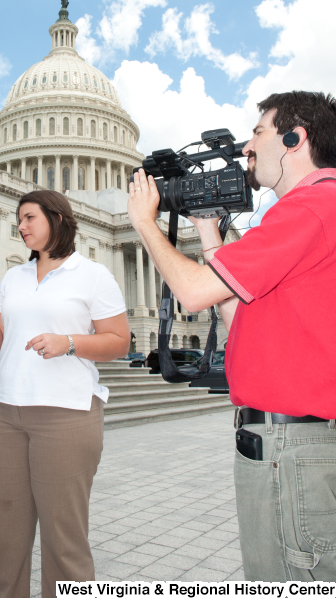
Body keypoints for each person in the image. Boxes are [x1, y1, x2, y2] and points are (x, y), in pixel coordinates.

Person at [127, 90, 336, 582]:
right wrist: (208, 235)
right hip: (292, 439)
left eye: (258, 132)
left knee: (284, 577)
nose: (246, 146)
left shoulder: (310, 206)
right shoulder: (316, 211)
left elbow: (194, 292)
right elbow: (240, 320)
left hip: (291, 443)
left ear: (293, 138)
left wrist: (144, 223)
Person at [0, 190, 130, 598]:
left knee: (63, 538)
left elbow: (119, 341)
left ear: (57, 218)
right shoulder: (14, 277)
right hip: (5, 412)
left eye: (29, 217)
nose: (21, 226)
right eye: (19, 219)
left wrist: (69, 342)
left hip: (65, 414)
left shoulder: (93, 275)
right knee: (4, 536)